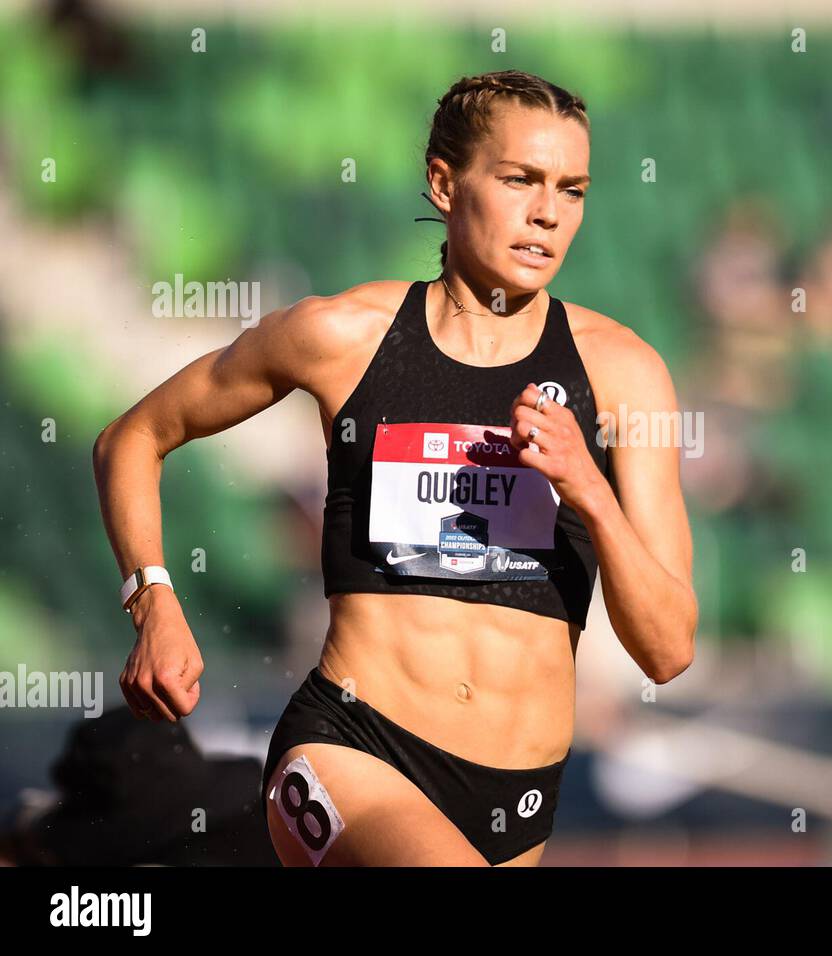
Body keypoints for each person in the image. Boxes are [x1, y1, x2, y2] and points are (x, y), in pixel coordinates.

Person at [91, 69, 697, 866]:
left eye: (572, 189)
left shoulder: (623, 374)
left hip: (514, 797)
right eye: (520, 180)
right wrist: (154, 599)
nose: (548, 213)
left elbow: (668, 649)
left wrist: (589, 489)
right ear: (445, 184)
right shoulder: (342, 337)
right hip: (352, 746)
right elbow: (134, 436)